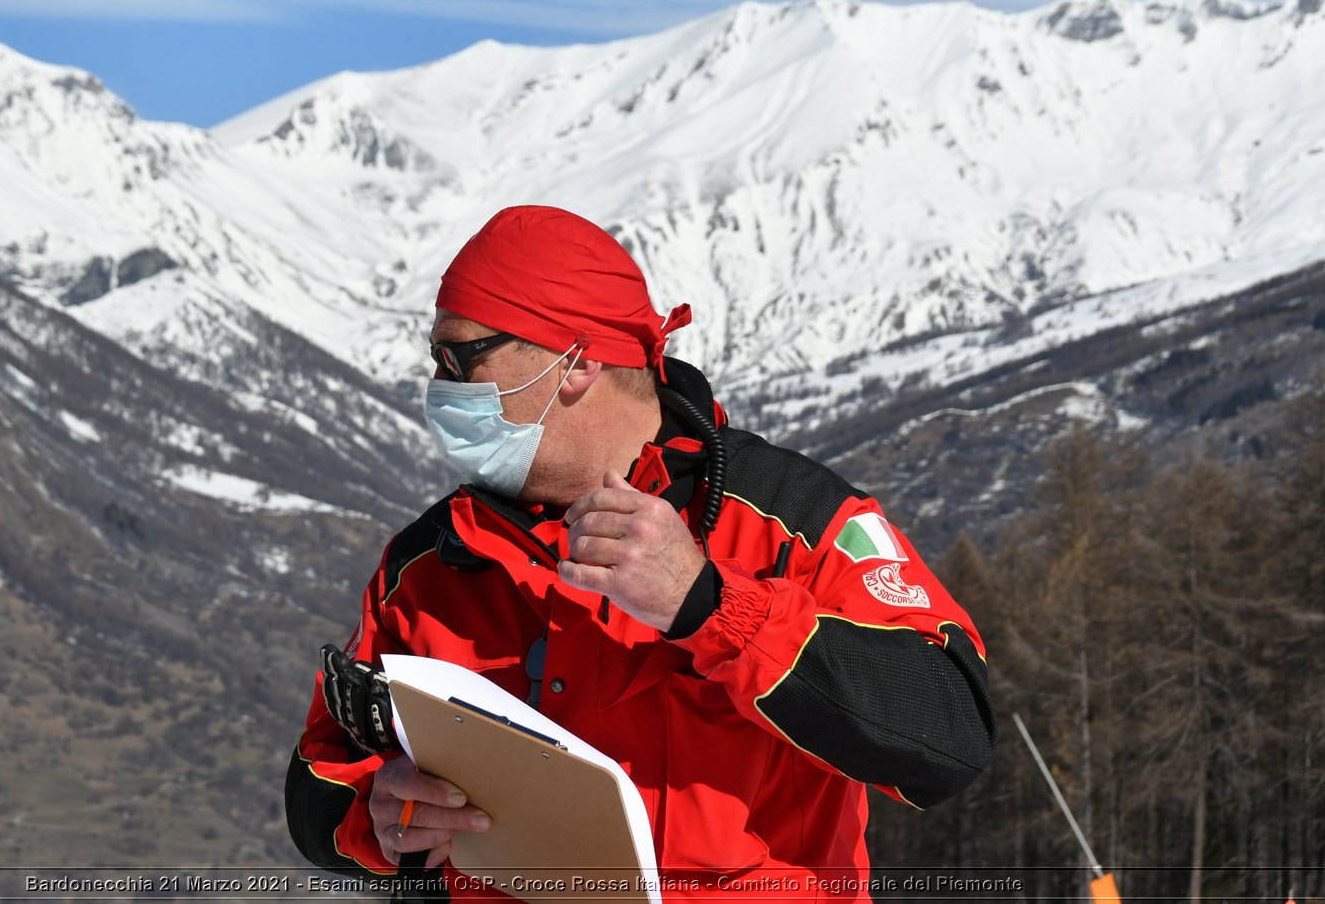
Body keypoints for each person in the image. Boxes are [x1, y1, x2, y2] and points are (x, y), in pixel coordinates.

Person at [285, 206, 996, 902]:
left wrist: (713, 607)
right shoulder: (431, 560)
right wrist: (378, 813)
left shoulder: (792, 520)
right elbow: (319, 776)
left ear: (578, 358)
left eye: (460, 357)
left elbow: (949, 734)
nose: (439, 387)